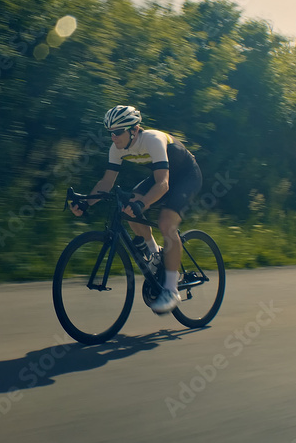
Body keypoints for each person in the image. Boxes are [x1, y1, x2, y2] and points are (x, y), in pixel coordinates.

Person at [69, 105, 202, 314]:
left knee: (166, 223)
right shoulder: (116, 148)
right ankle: (155, 252)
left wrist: (143, 203)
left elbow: (163, 184)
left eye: (117, 132)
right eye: (110, 133)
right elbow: (106, 182)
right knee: (127, 206)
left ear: (134, 129)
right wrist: (86, 202)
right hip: (162, 175)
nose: (113, 137)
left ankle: (171, 289)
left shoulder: (152, 140)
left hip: (186, 176)